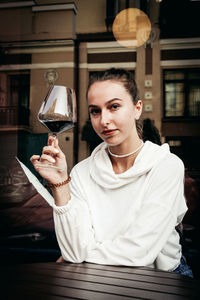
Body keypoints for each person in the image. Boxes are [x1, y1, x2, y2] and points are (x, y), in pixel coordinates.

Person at [30, 68, 192, 277]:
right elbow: (71, 251)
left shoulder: (166, 166)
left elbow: (139, 253)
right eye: (95, 111)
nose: (103, 120)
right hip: (98, 277)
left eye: (114, 106)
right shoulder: (81, 172)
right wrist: (61, 183)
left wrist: (81, 256)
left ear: (137, 108)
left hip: (164, 279)